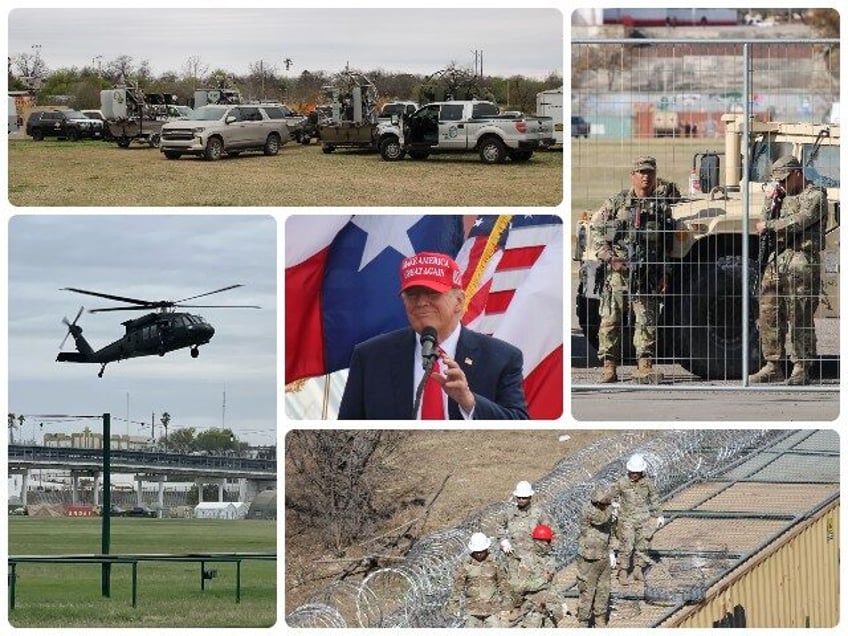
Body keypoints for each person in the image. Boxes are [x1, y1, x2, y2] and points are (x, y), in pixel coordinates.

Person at [337, 251, 529, 419]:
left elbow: (519, 424)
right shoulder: (370, 357)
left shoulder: (502, 358)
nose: (421, 302)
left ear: (459, 301)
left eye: (432, 294)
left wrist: (469, 402)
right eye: (412, 295)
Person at [590, 156, 680, 384]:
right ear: (633, 175)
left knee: (646, 320)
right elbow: (597, 232)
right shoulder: (616, 203)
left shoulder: (661, 207)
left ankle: (644, 365)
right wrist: (611, 259)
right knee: (610, 319)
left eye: (649, 172)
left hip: (648, 272)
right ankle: (609, 366)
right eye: (641, 172)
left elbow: (666, 245)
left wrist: (665, 272)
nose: (645, 176)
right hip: (618, 271)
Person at [749, 155, 827, 386]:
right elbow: (763, 224)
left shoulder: (815, 196)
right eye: (778, 181)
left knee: (800, 314)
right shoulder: (780, 198)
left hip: (801, 261)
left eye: (784, 179)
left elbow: (800, 220)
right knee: (769, 314)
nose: (781, 184)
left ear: (797, 173)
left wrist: (770, 224)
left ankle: (801, 366)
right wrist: (769, 202)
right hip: (777, 262)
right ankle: (773, 364)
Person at [609, 453, 664, 586]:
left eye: (637, 472)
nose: (634, 475)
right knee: (626, 547)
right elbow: (611, 495)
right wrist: (613, 506)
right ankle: (622, 572)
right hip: (626, 520)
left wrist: (659, 515)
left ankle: (638, 570)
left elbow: (654, 499)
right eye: (632, 472)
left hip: (643, 519)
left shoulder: (647, 483)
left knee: (643, 545)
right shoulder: (622, 483)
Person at [505, 524, 568, 628]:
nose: (547, 544)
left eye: (548, 541)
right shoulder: (527, 561)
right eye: (544, 542)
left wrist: (562, 602)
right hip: (532, 608)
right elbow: (522, 586)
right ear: (537, 542)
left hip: (550, 606)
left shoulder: (550, 560)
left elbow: (554, 584)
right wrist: (542, 581)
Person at [448, 532, 510, 628]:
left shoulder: (494, 562)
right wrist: (454, 606)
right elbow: (458, 586)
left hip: (492, 609)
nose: (480, 554)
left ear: (486, 548)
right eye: (477, 552)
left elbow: (503, 583)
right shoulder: (466, 564)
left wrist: (506, 604)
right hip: (472, 610)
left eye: (482, 551)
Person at [576, 486, 617, 628]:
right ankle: (583, 621)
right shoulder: (589, 510)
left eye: (607, 503)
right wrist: (613, 509)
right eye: (604, 503)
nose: (606, 505)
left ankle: (600, 617)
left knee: (603, 590)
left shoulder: (607, 510)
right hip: (589, 558)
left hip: (603, 556)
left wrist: (611, 551)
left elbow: (610, 532)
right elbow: (600, 520)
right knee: (587, 591)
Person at [494, 480, 558, 559]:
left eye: (524, 498)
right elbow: (499, 525)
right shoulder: (509, 513)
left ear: (530, 497)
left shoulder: (538, 513)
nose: (521, 500)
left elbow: (553, 532)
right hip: (514, 558)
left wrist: (546, 550)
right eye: (519, 497)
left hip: (534, 558)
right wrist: (503, 541)